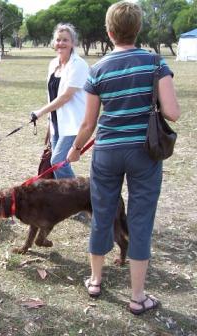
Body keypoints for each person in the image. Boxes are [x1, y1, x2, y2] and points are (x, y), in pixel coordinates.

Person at [66, 1, 180, 315]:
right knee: (140, 221)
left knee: (102, 214)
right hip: (144, 152)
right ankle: (138, 296)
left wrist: (75, 148)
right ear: (138, 28)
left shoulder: (97, 69)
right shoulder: (155, 63)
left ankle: (95, 280)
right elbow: (173, 112)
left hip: (106, 152)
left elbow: (88, 124)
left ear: (109, 31)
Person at [30, 23, 89, 180]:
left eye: (65, 40)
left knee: (58, 161)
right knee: (56, 162)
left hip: (73, 123)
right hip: (57, 123)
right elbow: (52, 94)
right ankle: (64, 198)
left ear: (73, 43)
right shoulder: (53, 64)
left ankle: (77, 194)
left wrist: (40, 112)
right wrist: (50, 123)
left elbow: (66, 96)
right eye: (58, 40)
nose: (61, 43)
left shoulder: (79, 65)